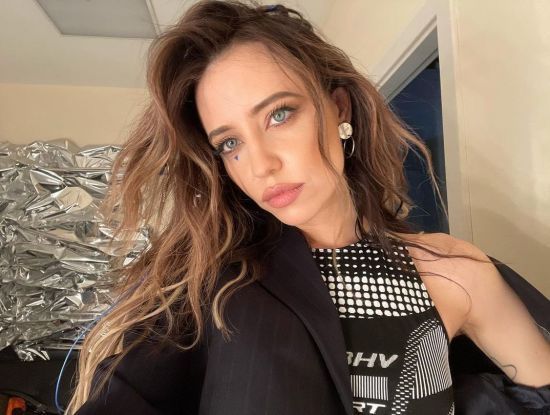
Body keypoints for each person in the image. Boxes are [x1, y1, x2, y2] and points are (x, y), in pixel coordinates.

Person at [66, 1, 550, 414]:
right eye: (230, 143)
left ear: (338, 108)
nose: (261, 164)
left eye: (279, 115)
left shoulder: (454, 272)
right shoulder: (210, 288)